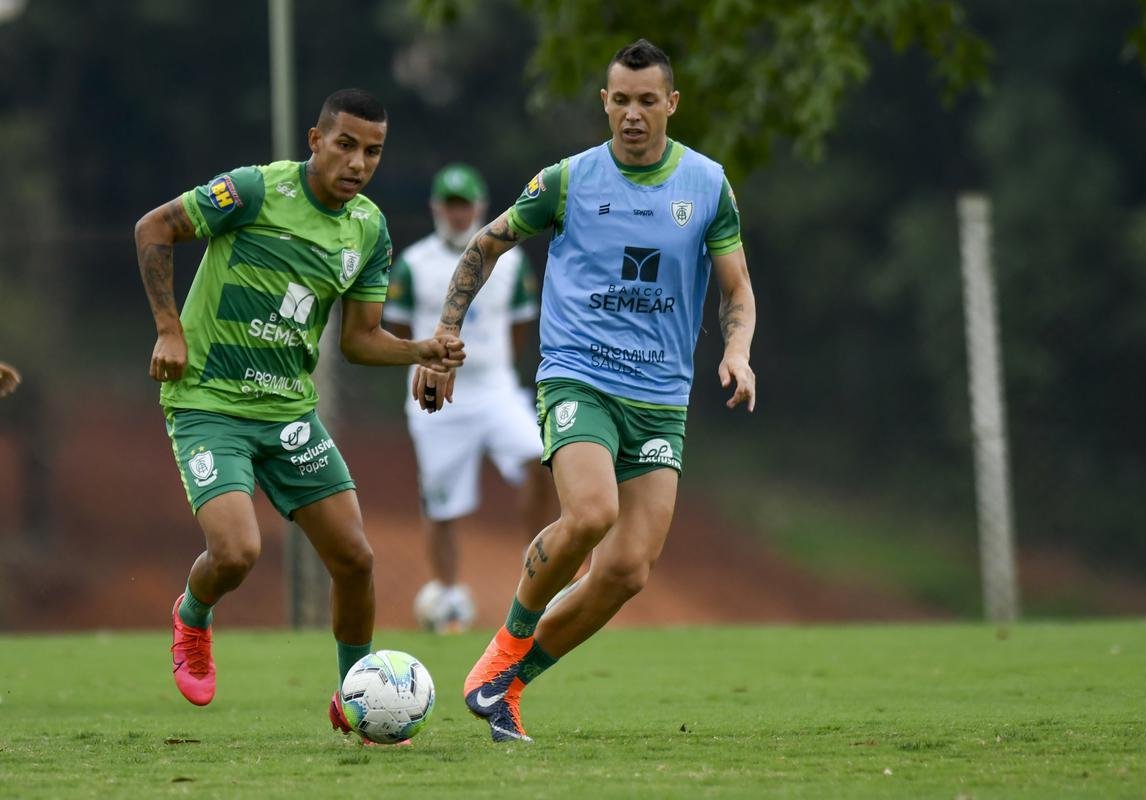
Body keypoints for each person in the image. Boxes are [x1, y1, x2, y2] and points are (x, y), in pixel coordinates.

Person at [411, 39, 757, 742]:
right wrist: (446, 335)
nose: (632, 115)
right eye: (620, 100)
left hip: (660, 396)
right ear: (605, 102)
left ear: (671, 104)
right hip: (580, 376)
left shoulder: (707, 185)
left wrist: (739, 350)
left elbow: (737, 290)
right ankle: (503, 646)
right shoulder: (566, 181)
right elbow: (485, 245)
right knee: (592, 513)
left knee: (628, 570)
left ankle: (509, 685)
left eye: (647, 101)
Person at [133, 89, 464, 732]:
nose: (358, 162)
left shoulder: (369, 228)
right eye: (345, 145)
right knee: (235, 553)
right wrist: (170, 329)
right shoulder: (255, 191)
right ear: (314, 141)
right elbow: (155, 228)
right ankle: (193, 617)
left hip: (288, 414)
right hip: (209, 403)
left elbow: (360, 339)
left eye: (373, 151)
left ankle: (357, 696)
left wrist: (422, 349)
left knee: (356, 560)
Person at [383, 164, 556, 633]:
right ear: (437, 209)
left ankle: (541, 568)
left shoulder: (512, 260)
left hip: (496, 387)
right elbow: (397, 328)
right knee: (440, 501)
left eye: (466, 204)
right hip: (438, 397)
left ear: (481, 208)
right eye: (450, 204)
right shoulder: (414, 264)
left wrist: (493, 365)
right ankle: (449, 596)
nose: (459, 214)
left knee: (543, 459)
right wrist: (430, 364)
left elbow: (521, 324)